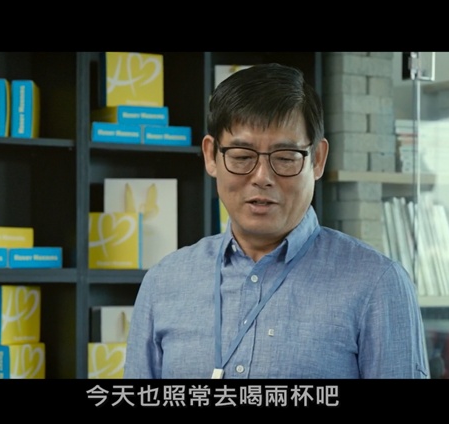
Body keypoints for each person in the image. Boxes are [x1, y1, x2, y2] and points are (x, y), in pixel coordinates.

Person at [124, 62, 429, 379]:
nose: (262, 177)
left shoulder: (376, 284)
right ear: (211, 155)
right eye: (242, 156)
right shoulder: (164, 282)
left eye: (284, 158)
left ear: (318, 160)